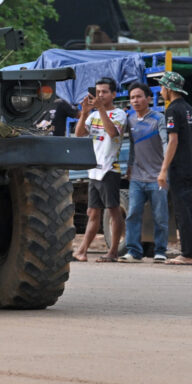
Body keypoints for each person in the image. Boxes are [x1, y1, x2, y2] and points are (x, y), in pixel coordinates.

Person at [156, 71, 192, 266]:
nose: (161, 91)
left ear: (169, 89)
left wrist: (163, 169)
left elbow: (173, 140)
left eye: (162, 87)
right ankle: (189, 252)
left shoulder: (172, 110)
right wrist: (190, 145)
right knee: (188, 209)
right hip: (190, 165)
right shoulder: (190, 109)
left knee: (182, 211)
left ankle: (187, 254)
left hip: (178, 167)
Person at [72, 77, 128, 263]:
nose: (100, 95)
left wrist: (101, 109)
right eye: (97, 92)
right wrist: (84, 113)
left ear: (114, 94)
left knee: (113, 210)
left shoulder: (119, 114)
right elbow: (79, 134)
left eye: (104, 92)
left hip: (109, 169)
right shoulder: (93, 115)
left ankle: (113, 252)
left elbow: (112, 133)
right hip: (94, 170)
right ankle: (82, 251)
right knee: (93, 212)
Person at [119, 82, 169, 263]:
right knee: (132, 214)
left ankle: (160, 251)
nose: (135, 100)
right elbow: (133, 146)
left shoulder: (158, 119)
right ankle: (133, 251)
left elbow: (166, 143)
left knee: (160, 216)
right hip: (137, 177)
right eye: (132, 97)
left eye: (139, 96)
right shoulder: (130, 120)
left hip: (157, 177)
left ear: (148, 98)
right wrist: (129, 166)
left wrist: (164, 170)